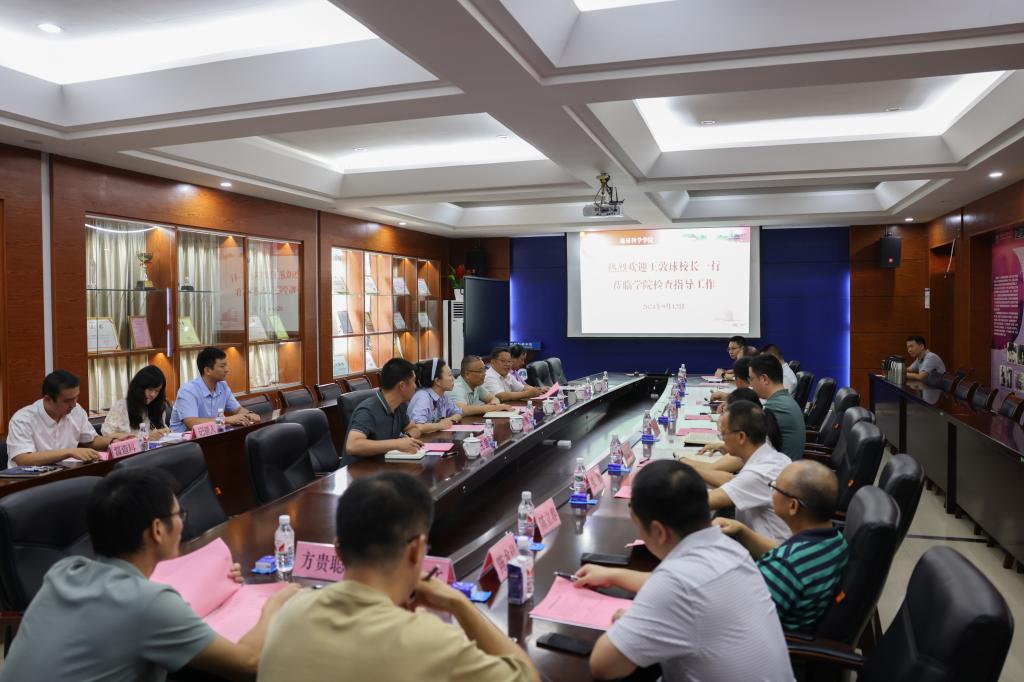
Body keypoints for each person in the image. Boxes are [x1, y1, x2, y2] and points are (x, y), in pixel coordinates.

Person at [0, 468, 298, 681]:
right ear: (157, 530)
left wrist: (212, 579)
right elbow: (249, 662)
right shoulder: (150, 605)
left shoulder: (63, 572)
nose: (182, 523)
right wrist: (275, 605)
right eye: (179, 514)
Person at [257, 472, 539, 682]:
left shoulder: (289, 615)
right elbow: (526, 676)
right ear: (416, 550)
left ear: (338, 551)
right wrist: (459, 604)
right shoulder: (429, 640)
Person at [576, 460, 793, 682]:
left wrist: (634, 621)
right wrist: (613, 576)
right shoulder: (732, 551)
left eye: (638, 525)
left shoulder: (676, 585)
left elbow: (602, 666)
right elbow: (690, 587)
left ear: (659, 531)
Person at [714, 460, 849, 632]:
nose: (771, 492)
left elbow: (734, 620)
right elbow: (788, 558)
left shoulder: (784, 566)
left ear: (793, 506)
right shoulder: (835, 540)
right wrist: (742, 531)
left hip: (772, 638)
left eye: (774, 488)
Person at [686, 400, 792, 543]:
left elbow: (700, 503)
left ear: (741, 437)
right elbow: (733, 482)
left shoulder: (758, 473)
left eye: (723, 434)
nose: (722, 440)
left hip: (771, 553)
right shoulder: (775, 458)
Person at [6, 369, 132, 466]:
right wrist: (69, 452)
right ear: (48, 400)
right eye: (67, 400)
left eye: (76, 397)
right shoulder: (22, 419)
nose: (74, 404)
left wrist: (113, 441)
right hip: (28, 481)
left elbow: (91, 440)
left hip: (65, 474)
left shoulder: (76, 411)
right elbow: (23, 459)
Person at [344, 358, 424, 465]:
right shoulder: (367, 410)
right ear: (402, 386)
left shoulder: (400, 405)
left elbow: (414, 429)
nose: (416, 386)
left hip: (384, 466)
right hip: (359, 470)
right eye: (413, 381)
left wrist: (406, 439)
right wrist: (396, 443)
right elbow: (352, 445)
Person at [170, 347, 259, 432]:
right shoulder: (188, 391)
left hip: (212, 436)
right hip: (182, 440)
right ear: (207, 370)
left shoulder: (223, 386)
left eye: (226, 365)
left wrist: (249, 414)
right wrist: (226, 420)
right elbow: (191, 423)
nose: (227, 370)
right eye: (222, 366)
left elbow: (237, 410)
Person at [748, 354, 806, 461]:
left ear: (764, 379)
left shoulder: (775, 408)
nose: (750, 385)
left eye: (751, 379)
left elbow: (751, 452)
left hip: (779, 470)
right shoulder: (783, 400)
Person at [102, 365, 171, 440]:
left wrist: (163, 432)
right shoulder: (121, 406)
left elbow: (160, 428)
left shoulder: (157, 407)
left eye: (157, 391)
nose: (153, 394)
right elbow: (107, 435)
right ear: (139, 388)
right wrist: (144, 437)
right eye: (150, 389)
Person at [407, 359, 463, 434]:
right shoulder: (423, 397)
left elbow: (458, 412)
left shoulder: (443, 396)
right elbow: (417, 427)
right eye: (450, 375)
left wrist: (450, 420)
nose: (453, 378)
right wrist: (441, 425)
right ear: (437, 381)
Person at [448, 355, 516, 417]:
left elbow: (493, 398)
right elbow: (462, 410)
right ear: (467, 374)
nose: (484, 374)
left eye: (484, 370)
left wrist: (494, 405)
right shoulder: (456, 387)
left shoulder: (476, 385)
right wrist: (493, 407)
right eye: (480, 371)